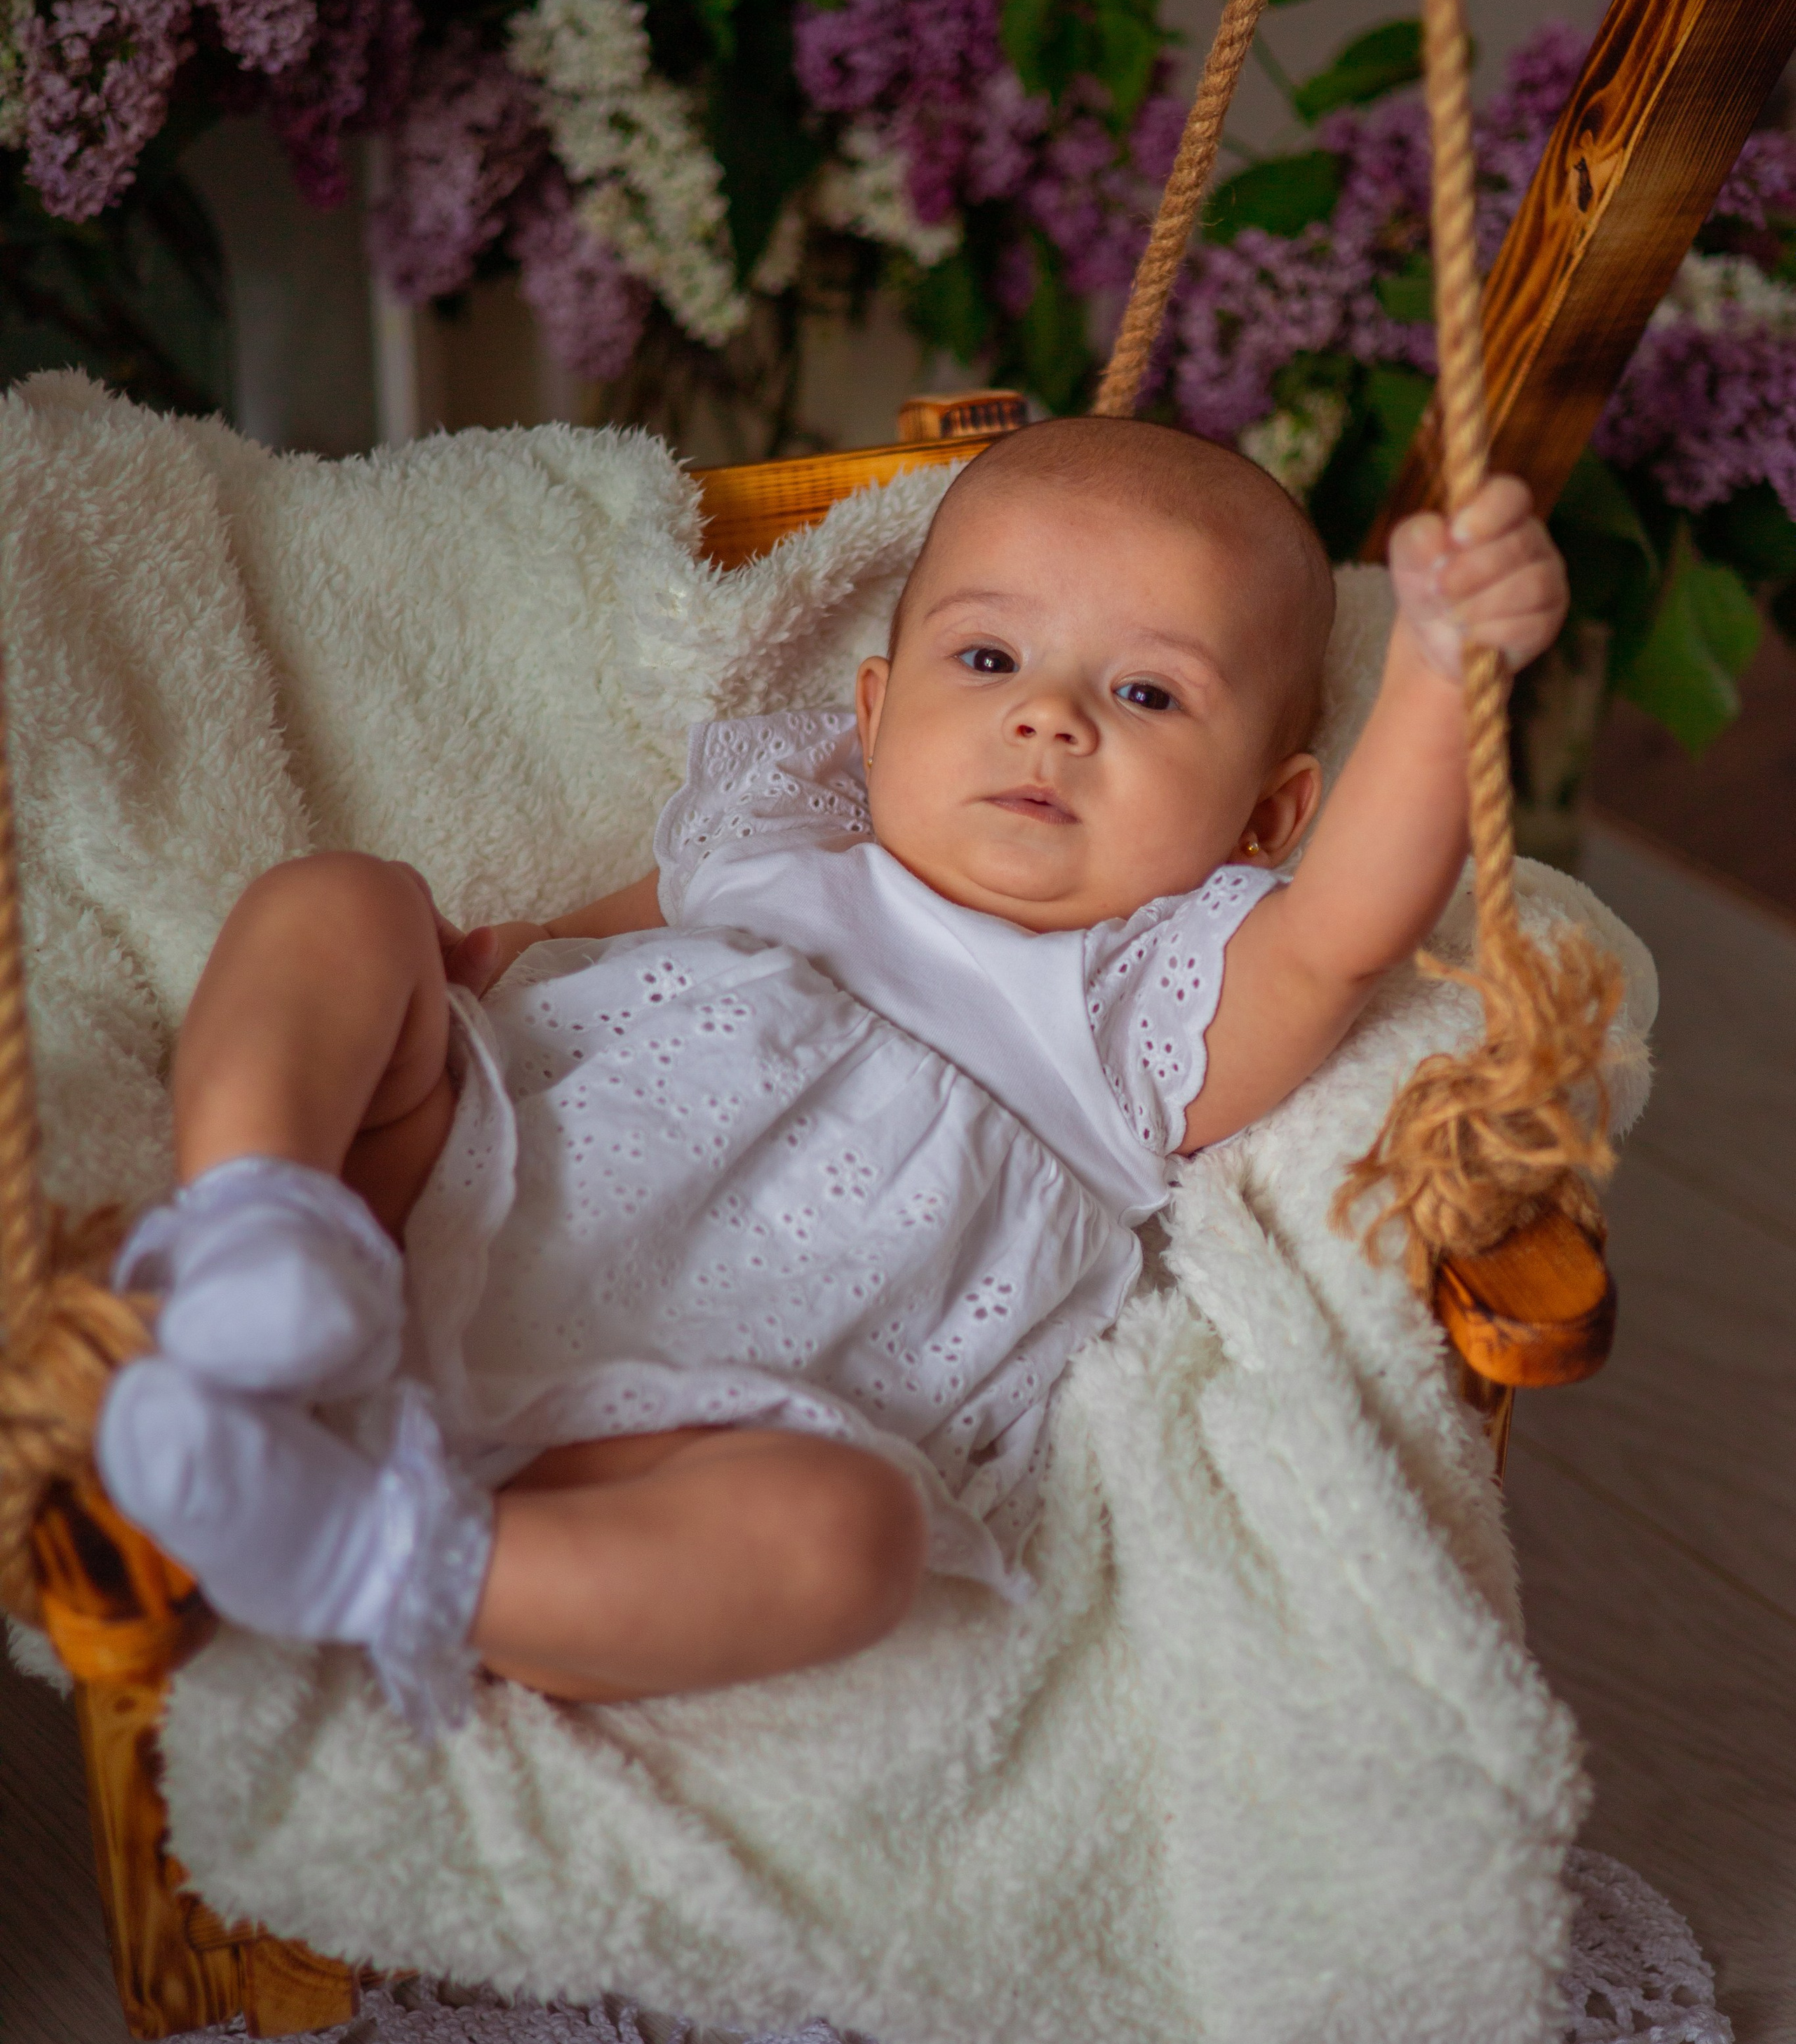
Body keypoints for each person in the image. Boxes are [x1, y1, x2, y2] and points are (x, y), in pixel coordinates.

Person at [94, 417, 1567, 1731]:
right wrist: (468, 966)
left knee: (850, 1541)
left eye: (1147, 693)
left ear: (1266, 820)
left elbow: (1341, 937)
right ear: (871, 717)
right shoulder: (783, 832)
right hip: (436, 1184)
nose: (1050, 717)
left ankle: (366, 1552)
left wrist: (1443, 675)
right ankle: (253, 1231)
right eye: (987, 659)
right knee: (344, 902)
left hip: (687, 1425)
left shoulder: (1143, 1005)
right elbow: (570, 945)